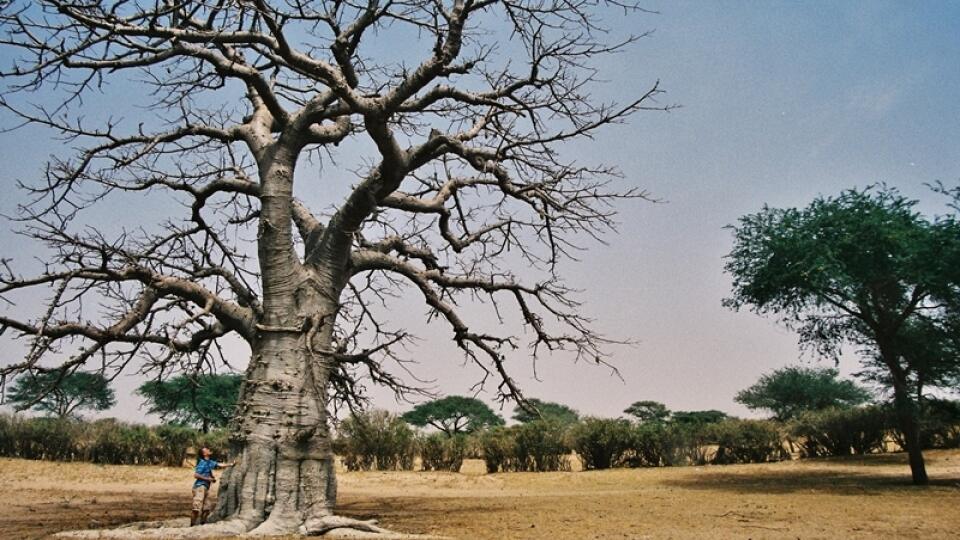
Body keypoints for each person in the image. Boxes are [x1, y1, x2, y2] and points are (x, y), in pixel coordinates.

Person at [191, 447, 236, 526]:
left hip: (206, 488)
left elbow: (220, 465)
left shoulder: (210, 462)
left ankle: (202, 524)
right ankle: (191, 525)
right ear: (204, 454)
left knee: (207, 509)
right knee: (196, 508)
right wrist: (208, 479)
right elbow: (196, 475)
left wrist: (231, 464)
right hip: (199, 487)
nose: (209, 450)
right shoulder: (202, 462)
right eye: (207, 450)